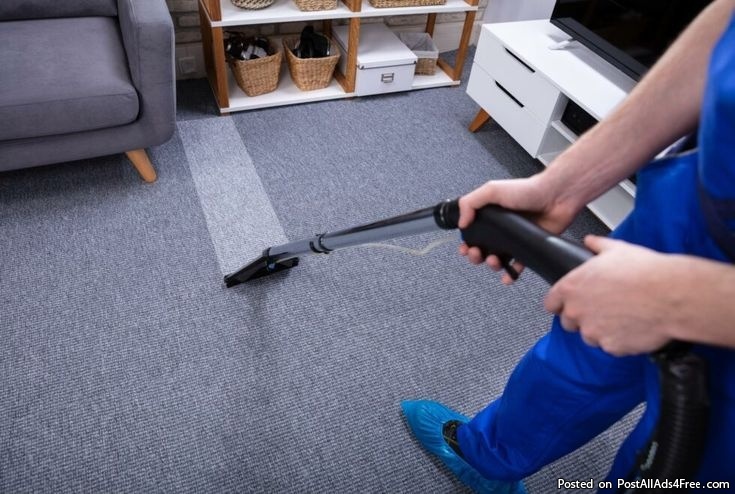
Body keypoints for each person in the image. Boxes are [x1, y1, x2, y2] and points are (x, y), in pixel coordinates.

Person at [402, 0, 735, 492]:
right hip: (700, 196)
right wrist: (563, 184)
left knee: (689, 462)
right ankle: (487, 456)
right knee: (582, 349)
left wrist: (688, 300)